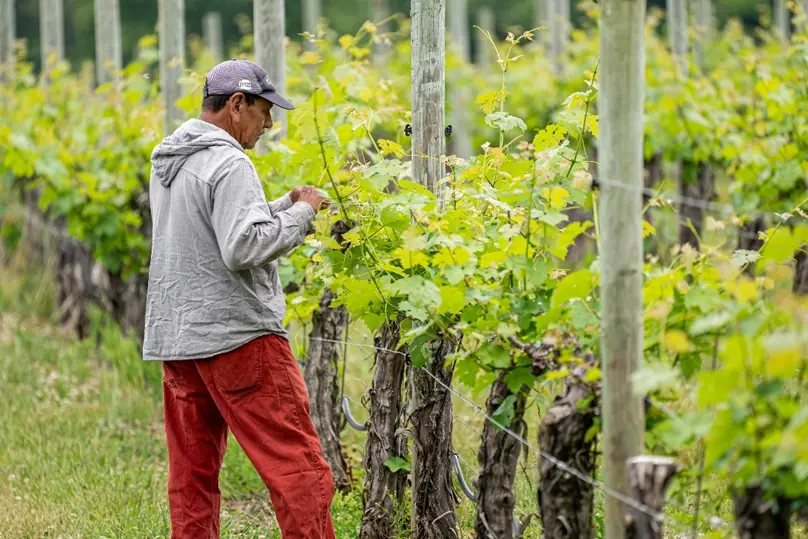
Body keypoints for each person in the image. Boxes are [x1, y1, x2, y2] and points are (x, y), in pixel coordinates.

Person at [142, 58, 335, 539]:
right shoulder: (230, 162)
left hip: (179, 340)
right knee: (298, 470)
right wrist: (303, 216)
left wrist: (280, 208)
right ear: (236, 104)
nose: (269, 124)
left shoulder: (171, 160)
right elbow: (241, 247)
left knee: (193, 475)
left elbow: (211, 231)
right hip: (238, 340)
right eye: (264, 111)